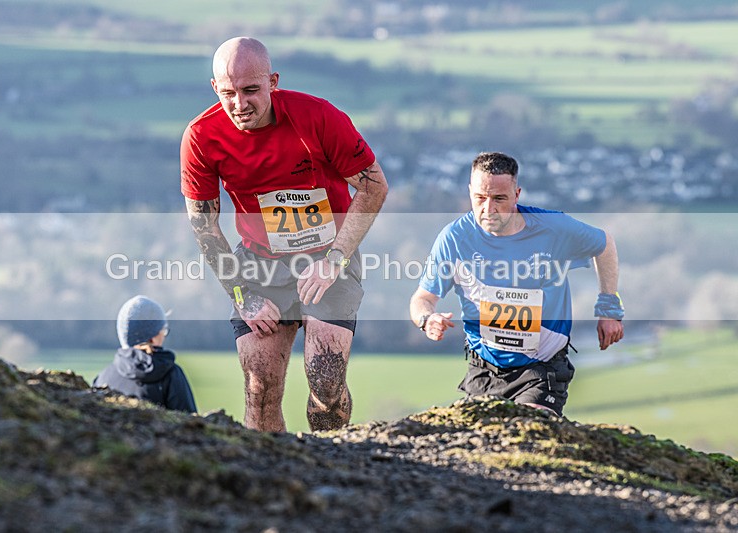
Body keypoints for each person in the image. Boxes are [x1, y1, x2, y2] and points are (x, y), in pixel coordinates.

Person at [180, 37, 388, 432]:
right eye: (228, 93)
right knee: (260, 387)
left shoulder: (319, 117)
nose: (240, 104)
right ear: (213, 88)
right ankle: (267, 481)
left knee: (326, 381)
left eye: (251, 91)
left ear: (273, 81)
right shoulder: (201, 137)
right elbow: (204, 226)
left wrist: (334, 260)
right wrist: (242, 294)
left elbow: (374, 186)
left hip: (330, 253)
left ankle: (333, 469)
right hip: (259, 261)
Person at [409, 151, 623, 416]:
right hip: (484, 368)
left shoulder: (552, 228)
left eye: (499, 199)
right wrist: (426, 320)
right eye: (480, 198)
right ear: (469, 192)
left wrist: (608, 308)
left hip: (541, 367)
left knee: (527, 429)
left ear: (517, 194)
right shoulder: (453, 238)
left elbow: (604, 245)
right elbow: (422, 299)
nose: (489, 209)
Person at [93, 295, 197, 413]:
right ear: (152, 337)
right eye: (163, 329)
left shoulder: (103, 377)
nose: (164, 334)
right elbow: (190, 424)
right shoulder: (171, 374)